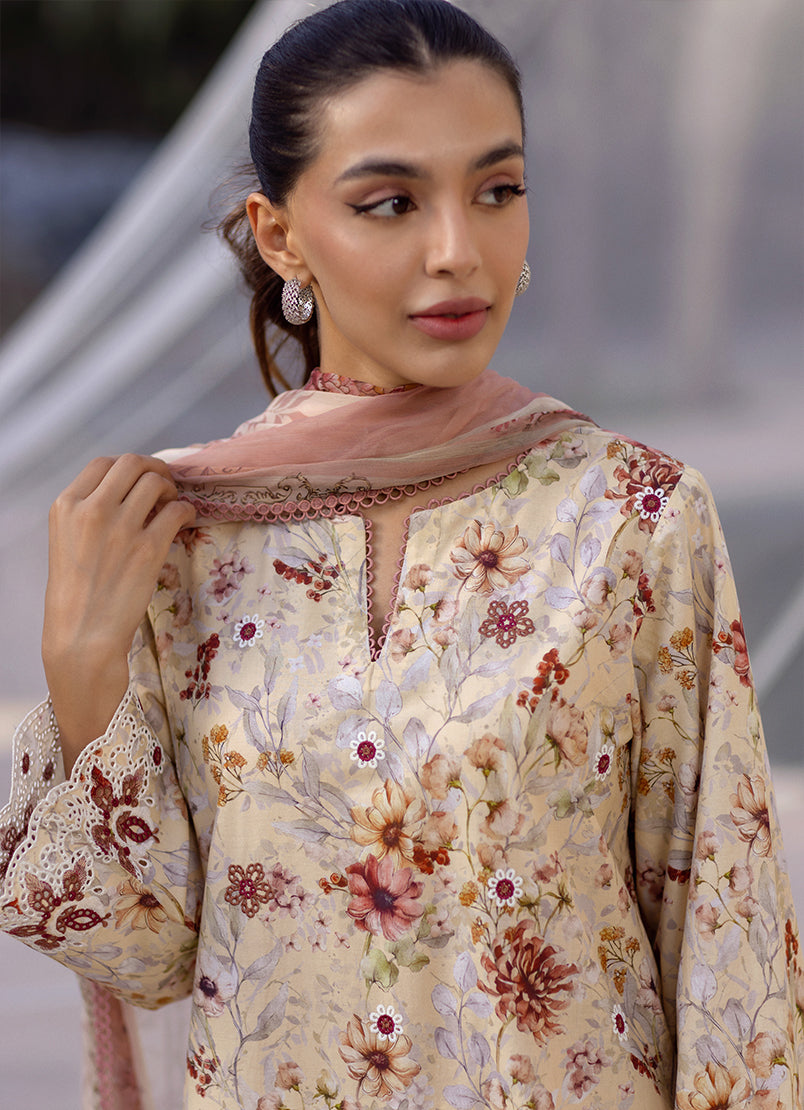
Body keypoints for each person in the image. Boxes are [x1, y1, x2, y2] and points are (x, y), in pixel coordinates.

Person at [0, 2, 801, 1107]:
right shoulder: (180, 539)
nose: (459, 251)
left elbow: (729, 945)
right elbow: (143, 959)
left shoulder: (633, 516)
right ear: (280, 235)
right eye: (391, 203)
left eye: (498, 190)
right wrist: (81, 675)